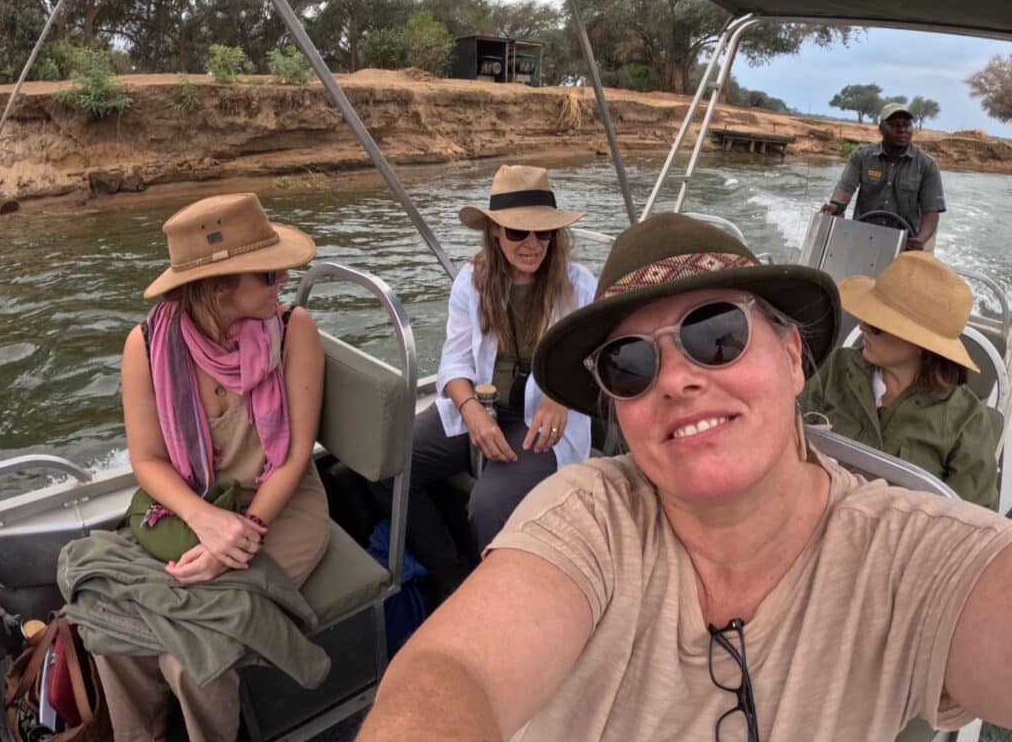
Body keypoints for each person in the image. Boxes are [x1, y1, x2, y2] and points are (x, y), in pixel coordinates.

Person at [357, 212, 1012, 742]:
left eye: (717, 333)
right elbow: (450, 672)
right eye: (627, 364)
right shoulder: (589, 513)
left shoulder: (906, 555)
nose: (674, 380)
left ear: (791, 357)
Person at [94, 193, 330, 741]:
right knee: (111, 632)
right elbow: (148, 459)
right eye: (268, 274)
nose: (283, 283)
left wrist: (239, 537)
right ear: (218, 287)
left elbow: (295, 457)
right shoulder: (146, 346)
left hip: (282, 506)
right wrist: (204, 519)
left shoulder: (294, 329)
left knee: (191, 657)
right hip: (193, 502)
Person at [371, 164, 596, 602]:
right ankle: (452, 574)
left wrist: (560, 396)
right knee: (387, 463)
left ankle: (505, 603)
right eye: (518, 232)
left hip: (540, 422)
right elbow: (455, 361)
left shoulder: (580, 285)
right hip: (481, 407)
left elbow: (593, 357)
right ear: (494, 231)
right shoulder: (472, 280)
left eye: (544, 233)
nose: (532, 243)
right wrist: (471, 410)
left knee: (489, 506)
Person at [801, 252, 998, 508]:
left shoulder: (966, 419)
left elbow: (971, 519)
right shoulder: (835, 367)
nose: (862, 327)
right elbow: (788, 435)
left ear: (920, 344)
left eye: (877, 325)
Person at [820, 101, 946, 251]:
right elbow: (845, 189)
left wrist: (920, 239)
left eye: (906, 125)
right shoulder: (861, 156)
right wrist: (835, 206)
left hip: (906, 242)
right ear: (881, 128)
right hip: (863, 235)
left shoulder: (927, 165)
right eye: (895, 125)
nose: (902, 130)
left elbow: (931, 211)